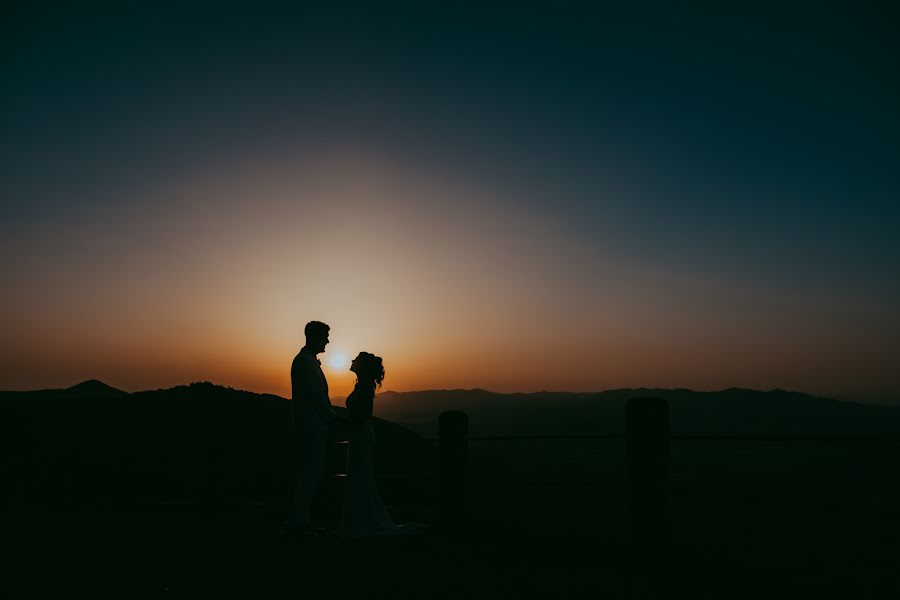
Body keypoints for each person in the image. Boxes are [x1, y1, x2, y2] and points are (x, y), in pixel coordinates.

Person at [340, 352, 425, 539]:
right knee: (359, 476)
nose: (352, 361)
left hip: (360, 436)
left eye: (356, 359)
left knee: (359, 475)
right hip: (359, 435)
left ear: (362, 366)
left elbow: (363, 415)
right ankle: (359, 520)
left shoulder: (364, 387)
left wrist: (341, 422)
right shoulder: (362, 385)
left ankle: (361, 522)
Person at [286, 320, 336, 534]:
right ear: (313, 336)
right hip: (311, 427)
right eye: (324, 336)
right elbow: (316, 397)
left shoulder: (308, 361)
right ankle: (299, 522)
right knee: (310, 474)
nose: (327, 340)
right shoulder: (304, 362)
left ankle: (302, 519)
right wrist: (334, 419)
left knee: (311, 474)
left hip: (314, 426)